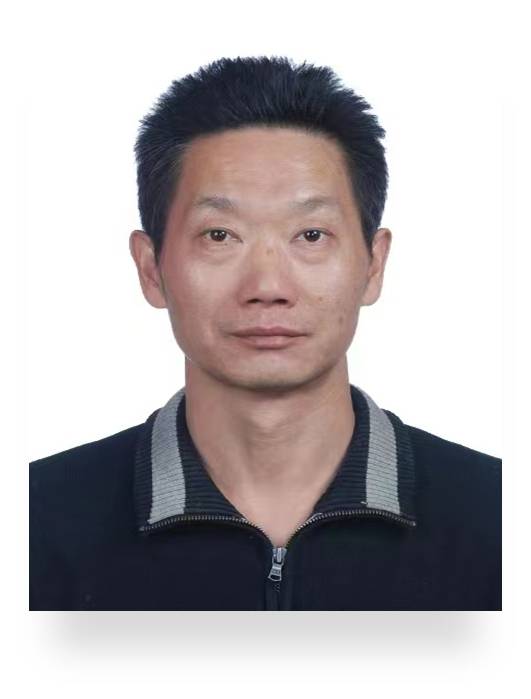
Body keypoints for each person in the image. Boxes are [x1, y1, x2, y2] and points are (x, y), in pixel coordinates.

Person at [29, 55, 501, 610]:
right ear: (151, 268)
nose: (268, 286)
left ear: (373, 265)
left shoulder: (501, 518)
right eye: (220, 235)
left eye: (311, 234)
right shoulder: (35, 522)